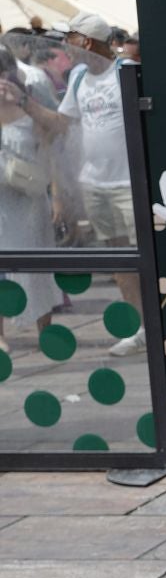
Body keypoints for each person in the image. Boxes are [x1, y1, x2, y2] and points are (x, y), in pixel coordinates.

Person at [16, 13, 142, 354]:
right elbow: (62, 123)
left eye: (69, 37)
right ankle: (138, 328)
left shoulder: (126, 71)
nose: (64, 45)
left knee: (145, 259)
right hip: (96, 184)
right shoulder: (79, 78)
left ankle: (160, 326)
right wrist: (24, 103)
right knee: (120, 262)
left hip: (130, 184)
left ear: (86, 42)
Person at [0, 45, 59, 352]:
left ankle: (44, 329)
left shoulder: (27, 99)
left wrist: (22, 101)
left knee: (36, 265)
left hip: (28, 198)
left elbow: (56, 130)